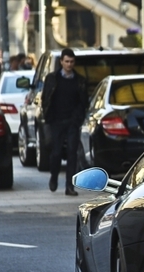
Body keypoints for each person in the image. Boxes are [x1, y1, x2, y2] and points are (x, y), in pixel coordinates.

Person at [41, 48, 88, 196]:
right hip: (56, 121)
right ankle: (54, 177)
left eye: (72, 62)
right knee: (55, 153)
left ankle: (69, 186)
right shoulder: (52, 79)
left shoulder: (80, 81)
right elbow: (46, 98)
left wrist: (78, 118)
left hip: (72, 122)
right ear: (61, 62)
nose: (69, 64)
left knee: (72, 153)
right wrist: (49, 116)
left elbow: (83, 102)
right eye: (66, 61)